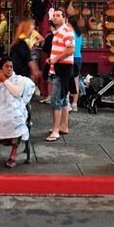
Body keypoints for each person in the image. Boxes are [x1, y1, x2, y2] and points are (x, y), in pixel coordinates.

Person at [46, 9, 75, 141]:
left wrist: (56, 59)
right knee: (62, 99)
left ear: (65, 18)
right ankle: (63, 126)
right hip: (57, 69)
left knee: (55, 100)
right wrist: (52, 59)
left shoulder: (67, 31)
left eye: (58, 15)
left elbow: (71, 49)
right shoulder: (57, 32)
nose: (55, 17)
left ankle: (55, 130)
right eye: (54, 15)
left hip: (62, 70)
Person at [9, 18, 42, 83]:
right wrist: (35, 70)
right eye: (32, 25)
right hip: (21, 75)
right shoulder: (22, 43)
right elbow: (28, 58)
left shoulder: (18, 42)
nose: (33, 27)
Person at [68, 15, 83, 112]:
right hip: (79, 57)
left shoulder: (70, 33)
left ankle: (68, 104)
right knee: (76, 81)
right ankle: (75, 104)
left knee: (68, 81)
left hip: (71, 58)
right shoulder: (79, 34)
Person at [39, 21, 56, 104]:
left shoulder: (49, 36)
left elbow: (45, 48)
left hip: (50, 59)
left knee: (49, 78)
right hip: (60, 60)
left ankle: (50, 96)